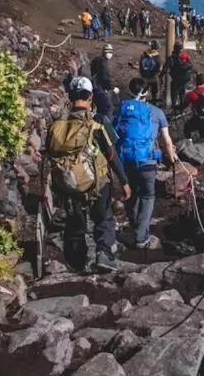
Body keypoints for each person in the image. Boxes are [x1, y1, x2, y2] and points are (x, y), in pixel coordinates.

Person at [46, 76, 130, 272]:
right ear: (90, 96)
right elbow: (111, 154)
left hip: (68, 182)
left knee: (75, 221)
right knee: (103, 218)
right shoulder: (98, 121)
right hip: (97, 182)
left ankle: (76, 262)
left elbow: (49, 156)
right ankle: (103, 255)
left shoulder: (58, 123)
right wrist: (124, 181)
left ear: (69, 95)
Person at [113, 78, 177, 248]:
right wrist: (171, 158)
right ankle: (141, 237)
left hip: (126, 160)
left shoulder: (122, 109)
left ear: (130, 91)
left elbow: (113, 134)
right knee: (148, 197)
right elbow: (166, 141)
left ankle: (136, 225)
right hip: (148, 161)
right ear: (147, 93)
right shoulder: (157, 112)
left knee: (130, 194)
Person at [161, 43, 193, 109]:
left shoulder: (171, 59)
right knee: (182, 94)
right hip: (183, 80)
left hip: (175, 80)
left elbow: (165, 69)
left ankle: (174, 108)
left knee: (174, 95)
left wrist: (160, 76)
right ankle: (181, 109)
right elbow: (191, 66)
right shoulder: (184, 58)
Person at [90, 44, 115, 119]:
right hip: (100, 88)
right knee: (109, 108)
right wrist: (112, 87)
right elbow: (106, 77)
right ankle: (107, 126)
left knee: (100, 107)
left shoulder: (97, 60)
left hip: (94, 87)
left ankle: (98, 122)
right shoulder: (103, 63)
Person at [138, 40, 162, 105]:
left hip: (144, 76)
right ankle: (154, 103)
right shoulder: (157, 56)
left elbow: (140, 65)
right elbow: (159, 68)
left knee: (143, 91)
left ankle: (142, 103)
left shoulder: (144, 54)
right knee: (154, 92)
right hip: (153, 77)